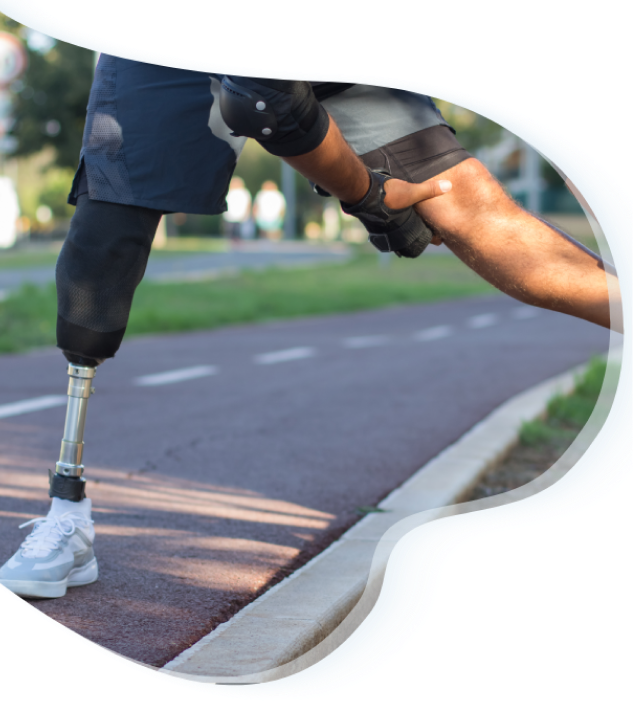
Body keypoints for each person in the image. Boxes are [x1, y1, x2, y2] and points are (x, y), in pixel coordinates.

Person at [0, 58, 622, 599]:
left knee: (457, 197)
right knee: (100, 254)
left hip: (293, 85)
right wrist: (371, 194)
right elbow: (262, 100)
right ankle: (67, 513)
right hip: (166, 63)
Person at [222, 176, 252, 248]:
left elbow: (248, 203)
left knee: (238, 229)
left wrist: (247, 212)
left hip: (240, 214)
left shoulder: (244, 192)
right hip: (229, 214)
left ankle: (238, 241)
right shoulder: (228, 191)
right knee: (230, 229)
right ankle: (231, 241)